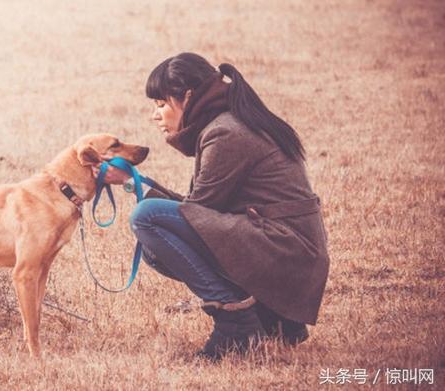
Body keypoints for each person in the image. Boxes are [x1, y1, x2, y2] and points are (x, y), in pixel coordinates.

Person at [96, 52, 329, 361]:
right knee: (154, 243)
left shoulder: (225, 132)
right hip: (287, 247)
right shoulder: (231, 122)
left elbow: (195, 214)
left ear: (188, 96)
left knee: (147, 219)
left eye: (161, 104)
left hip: (285, 250)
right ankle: (274, 318)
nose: (155, 115)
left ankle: (236, 322)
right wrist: (130, 181)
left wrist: (133, 186)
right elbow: (199, 212)